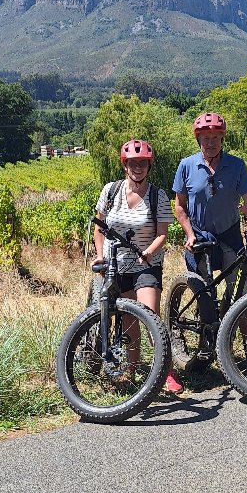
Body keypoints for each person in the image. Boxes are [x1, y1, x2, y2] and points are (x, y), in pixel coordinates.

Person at [172, 112, 247, 351]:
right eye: (205, 137)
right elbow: (179, 206)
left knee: (240, 291)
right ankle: (205, 344)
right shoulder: (186, 166)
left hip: (229, 234)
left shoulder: (236, 165)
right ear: (198, 139)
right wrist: (189, 233)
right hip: (200, 236)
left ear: (222, 139)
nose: (210, 142)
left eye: (215, 137)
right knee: (205, 293)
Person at [93, 138, 183, 394]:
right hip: (116, 264)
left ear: (149, 165)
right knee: (129, 319)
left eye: (142, 163)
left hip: (146, 264)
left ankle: (165, 370)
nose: (138, 167)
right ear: (125, 166)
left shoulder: (158, 195)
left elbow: (162, 234)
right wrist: (100, 256)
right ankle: (132, 369)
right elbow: (100, 228)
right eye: (133, 163)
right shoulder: (110, 191)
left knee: (149, 314)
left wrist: (149, 252)